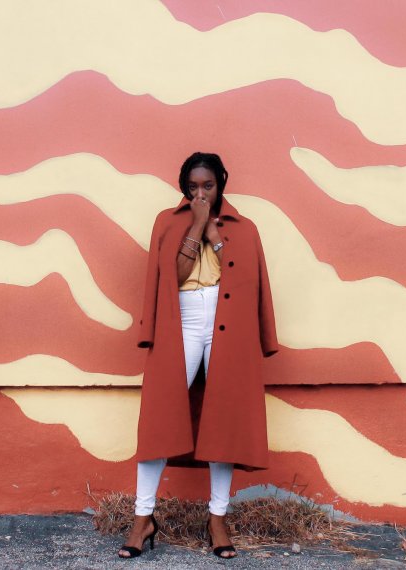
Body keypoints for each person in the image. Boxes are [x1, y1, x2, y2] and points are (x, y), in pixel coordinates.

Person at [118, 152, 278, 559]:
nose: (201, 192)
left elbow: (244, 277)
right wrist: (195, 225)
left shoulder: (245, 227)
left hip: (228, 324)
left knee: (223, 419)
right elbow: (171, 278)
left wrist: (215, 236)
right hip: (184, 320)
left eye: (208, 185)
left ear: (221, 182)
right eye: (193, 187)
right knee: (159, 413)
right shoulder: (167, 222)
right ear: (184, 188)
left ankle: (217, 519)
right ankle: (143, 517)